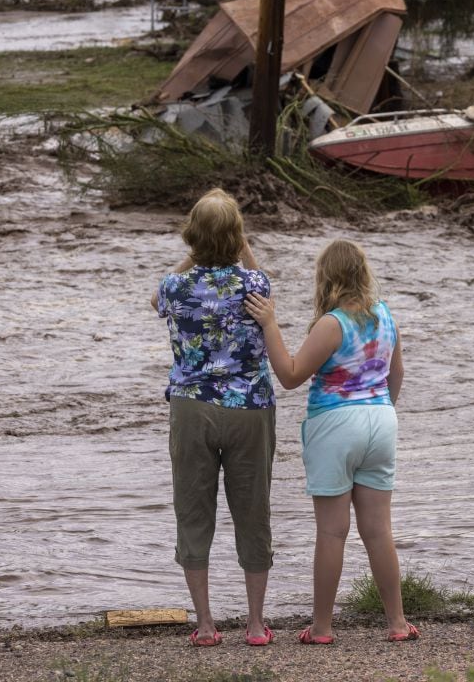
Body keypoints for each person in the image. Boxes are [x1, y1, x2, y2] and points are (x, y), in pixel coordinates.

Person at [244, 239, 418, 644]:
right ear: (363, 273)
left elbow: (289, 375)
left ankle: (322, 627)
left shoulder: (332, 323)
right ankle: (396, 623)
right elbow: (397, 374)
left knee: (332, 532)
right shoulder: (385, 316)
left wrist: (270, 324)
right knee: (378, 530)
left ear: (326, 277)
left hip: (336, 423)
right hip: (381, 420)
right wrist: (381, 409)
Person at [151, 188, 277, 648]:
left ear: (191, 238)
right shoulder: (255, 286)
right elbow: (257, 272)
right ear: (237, 237)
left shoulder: (174, 288)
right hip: (250, 407)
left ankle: (205, 624)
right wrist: (238, 242)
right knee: (253, 512)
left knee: (193, 511)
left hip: (191, 407)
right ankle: (257, 625)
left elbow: (155, 298)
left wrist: (193, 255)